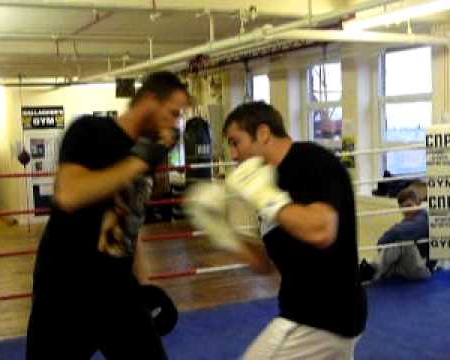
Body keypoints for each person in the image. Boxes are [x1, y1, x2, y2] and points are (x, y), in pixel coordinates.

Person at [26, 71, 189, 360]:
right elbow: (69, 194)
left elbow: (130, 221)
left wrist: (144, 281)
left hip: (116, 289)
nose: (175, 124)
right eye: (173, 113)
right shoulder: (89, 131)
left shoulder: (145, 153)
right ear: (150, 100)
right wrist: (138, 162)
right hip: (66, 288)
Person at [186, 101, 367, 359]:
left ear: (263, 133)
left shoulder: (313, 162)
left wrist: (266, 198)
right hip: (312, 314)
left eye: (236, 142)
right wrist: (223, 232)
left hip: (321, 318)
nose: (234, 155)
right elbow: (264, 264)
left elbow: (323, 231)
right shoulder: (268, 179)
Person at [359, 187, 435, 283]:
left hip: (423, 269)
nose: (406, 211)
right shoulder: (407, 221)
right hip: (407, 266)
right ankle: (368, 271)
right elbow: (390, 237)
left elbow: (395, 234)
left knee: (402, 243)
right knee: (391, 255)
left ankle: (369, 272)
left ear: (418, 203)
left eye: (409, 206)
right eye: (403, 208)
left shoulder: (425, 219)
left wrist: (385, 241)